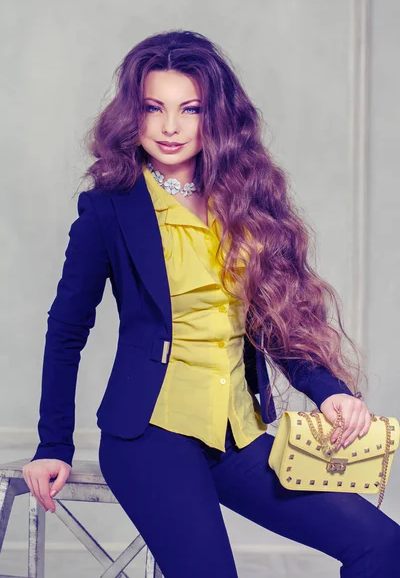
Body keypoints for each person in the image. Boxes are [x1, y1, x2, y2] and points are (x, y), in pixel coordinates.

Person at [23, 30, 400, 577]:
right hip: (150, 438)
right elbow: (66, 331)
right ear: (134, 114)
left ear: (216, 116)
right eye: (154, 108)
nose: (170, 127)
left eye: (189, 109)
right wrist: (52, 443)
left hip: (239, 437)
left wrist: (332, 393)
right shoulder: (110, 210)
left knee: (382, 546)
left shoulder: (244, 200)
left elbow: (275, 322)